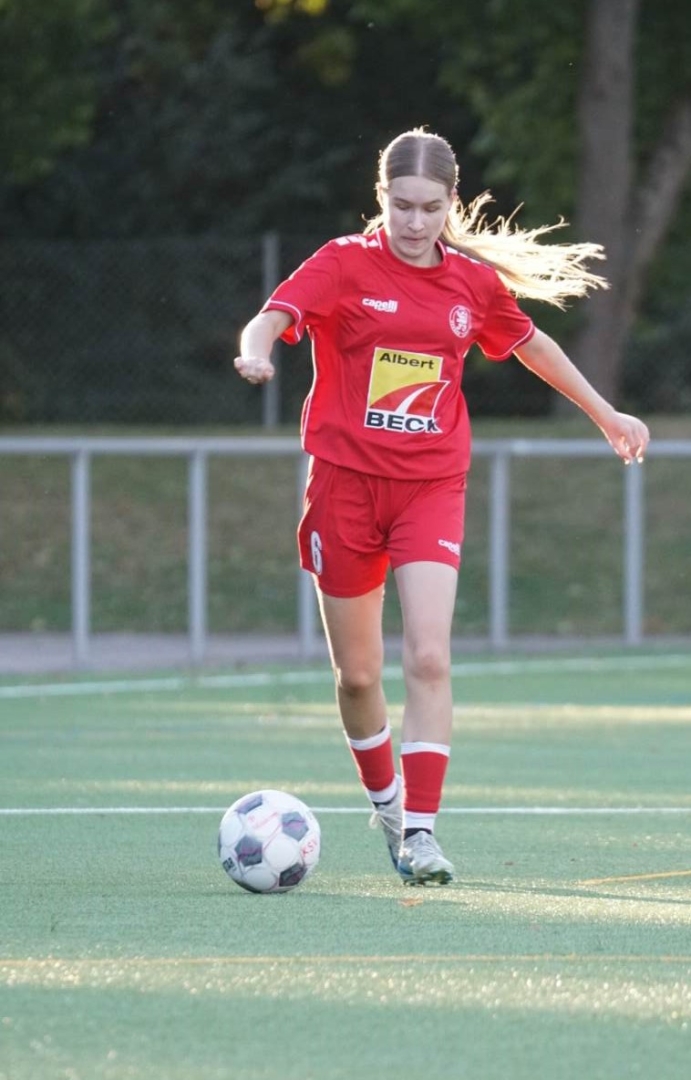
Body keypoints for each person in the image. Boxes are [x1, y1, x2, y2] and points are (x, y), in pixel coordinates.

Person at [234, 128, 650, 886]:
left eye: (431, 208)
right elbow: (274, 313)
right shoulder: (343, 263)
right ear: (381, 198)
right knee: (358, 676)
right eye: (402, 205)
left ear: (451, 203)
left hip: (430, 487)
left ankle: (421, 833)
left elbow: (532, 345)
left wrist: (605, 413)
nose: (415, 222)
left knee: (428, 656)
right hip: (344, 487)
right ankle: (388, 806)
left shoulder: (470, 284)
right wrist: (257, 350)